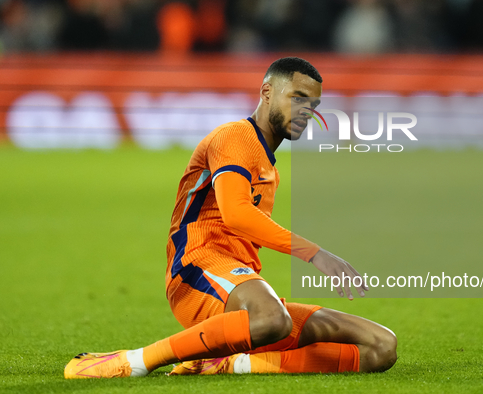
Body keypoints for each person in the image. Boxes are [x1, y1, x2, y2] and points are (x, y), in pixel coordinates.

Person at [64, 57, 397, 378]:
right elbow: (236, 214)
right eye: (298, 98)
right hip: (197, 270)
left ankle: (228, 364)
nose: (307, 112)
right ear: (267, 92)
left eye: (314, 105)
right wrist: (313, 253)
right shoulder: (234, 137)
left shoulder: (268, 166)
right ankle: (135, 361)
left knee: (380, 347)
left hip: (239, 284)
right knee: (271, 318)